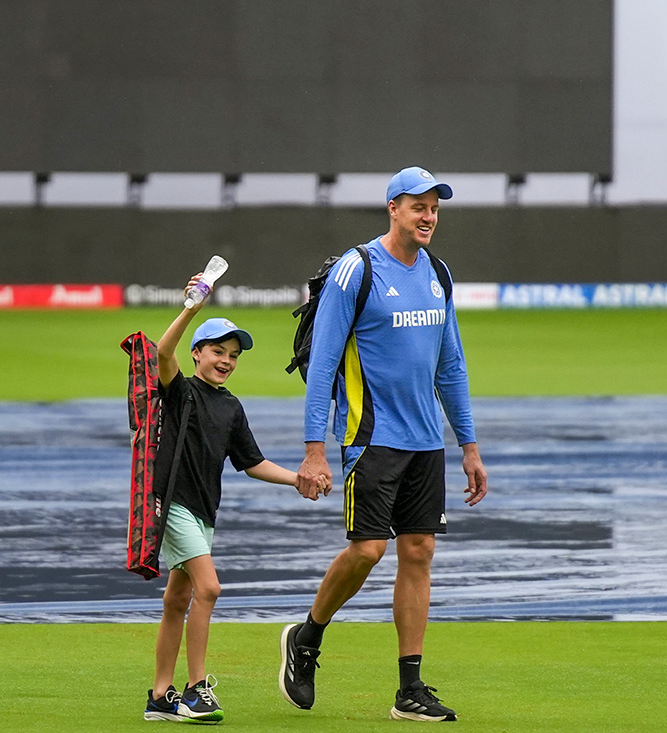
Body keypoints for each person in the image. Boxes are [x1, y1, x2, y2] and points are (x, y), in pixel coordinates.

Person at [279, 166, 489, 722]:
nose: (428, 217)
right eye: (418, 206)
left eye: (435, 208)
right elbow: (323, 362)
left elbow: (452, 365)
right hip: (369, 439)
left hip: (426, 443)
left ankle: (409, 688)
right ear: (393, 208)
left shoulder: (438, 273)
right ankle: (307, 637)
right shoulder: (359, 268)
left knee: (418, 553)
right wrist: (314, 448)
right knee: (369, 550)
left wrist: (467, 444)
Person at [145, 272, 324, 724]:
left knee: (176, 600)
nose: (226, 361)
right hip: (173, 506)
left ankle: (160, 696)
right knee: (209, 588)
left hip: (204, 513)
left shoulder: (231, 407)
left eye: (233, 355)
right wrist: (191, 307)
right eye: (217, 352)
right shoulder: (179, 391)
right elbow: (162, 352)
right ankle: (195, 690)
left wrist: (296, 479)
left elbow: (252, 463)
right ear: (197, 354)